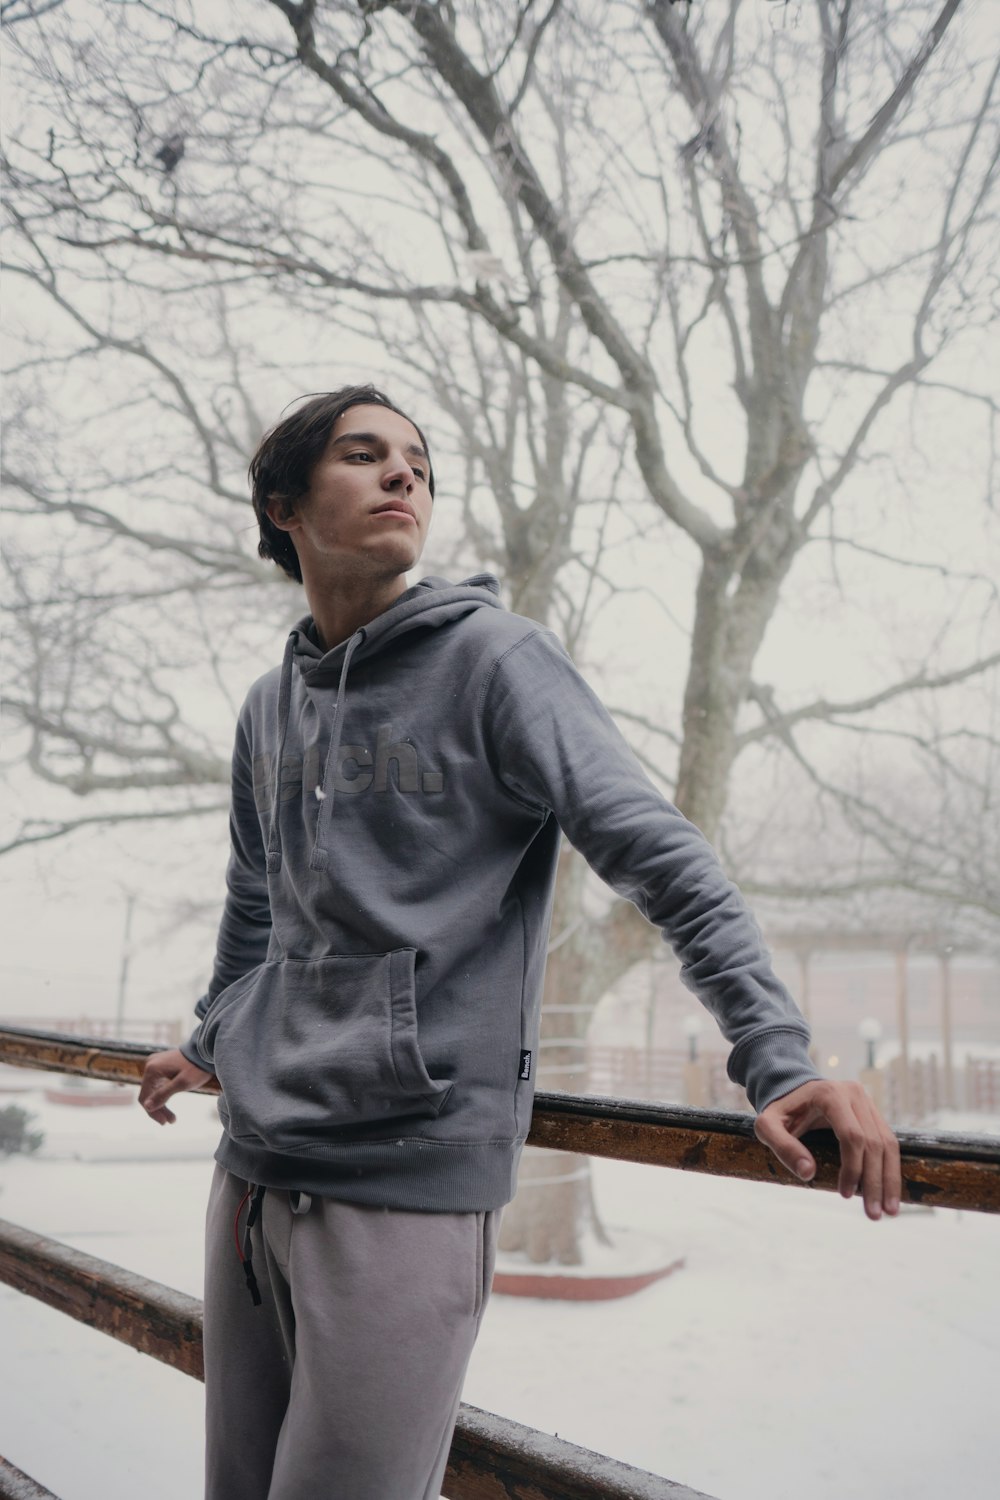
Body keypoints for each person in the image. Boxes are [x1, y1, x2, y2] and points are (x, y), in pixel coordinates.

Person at [139, 383, 902, 1500]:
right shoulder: (270, 706)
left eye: (420, 462)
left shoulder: (497, 663)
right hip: (250, 1174)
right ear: (283, 503)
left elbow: (666, 863)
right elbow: (261, 905)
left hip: (407, 1186)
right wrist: (216, 1039)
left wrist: (779, 1062)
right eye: (365, 454)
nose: (406, 475)